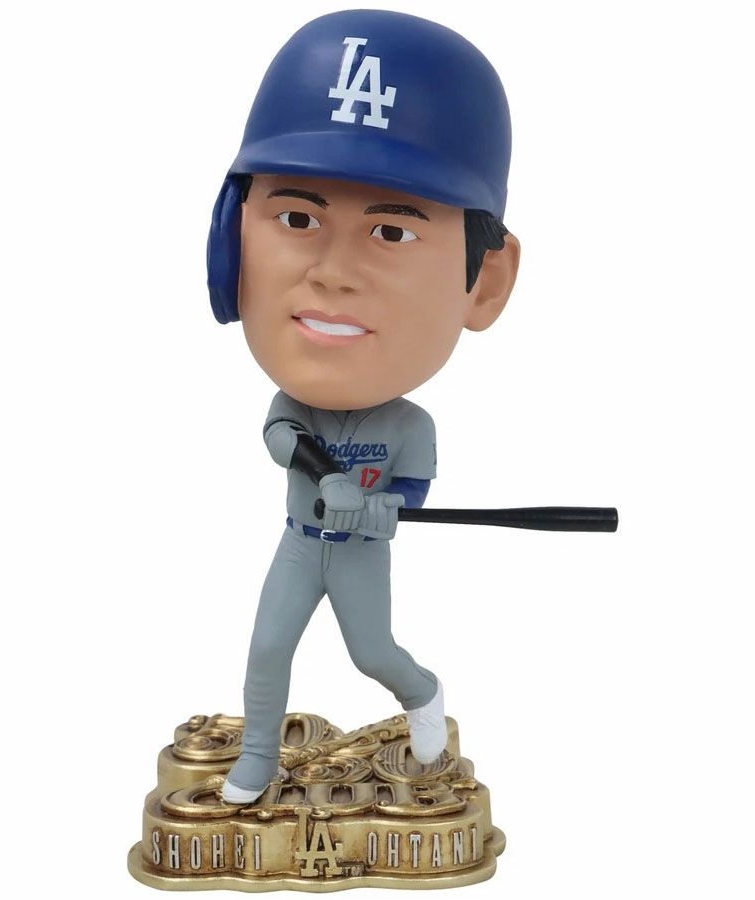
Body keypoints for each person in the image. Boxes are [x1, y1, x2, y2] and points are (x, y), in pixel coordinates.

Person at [205, 10, 520, 804]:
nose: (333, 272)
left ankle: (423, 696)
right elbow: (286, 439)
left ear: (483, 281)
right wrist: (332, 480)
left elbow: (410, 489)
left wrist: (389, 509)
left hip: (357, 553)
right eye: (298, 219)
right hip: (300, 541)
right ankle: (257, 758)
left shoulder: (407, 427)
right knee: (267, 647)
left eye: (391, 232)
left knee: (371, 653)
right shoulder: (291, 406)